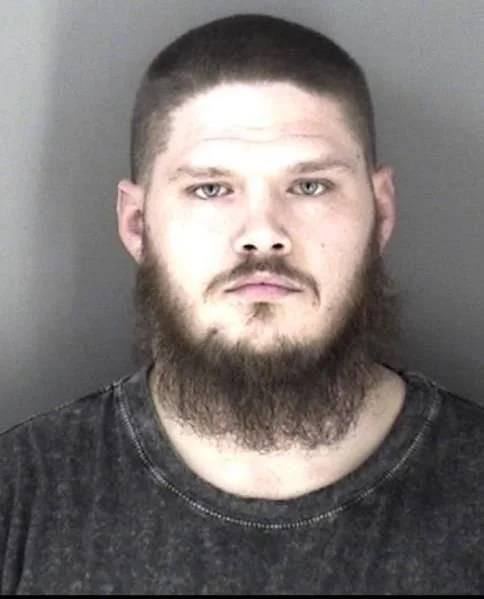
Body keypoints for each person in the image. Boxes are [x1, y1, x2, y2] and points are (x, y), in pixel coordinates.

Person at [1, 13, 483, 595]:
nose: (262, 234)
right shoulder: (18, 495)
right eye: (210, 189)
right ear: (136, 224)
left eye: (309, 185)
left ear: (380, 211)